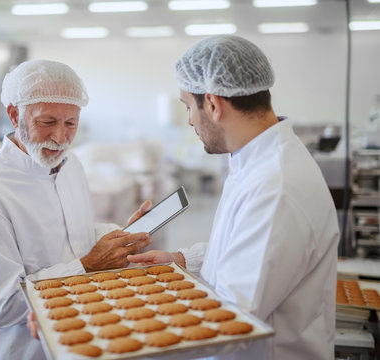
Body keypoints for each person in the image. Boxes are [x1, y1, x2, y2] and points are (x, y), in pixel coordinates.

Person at [128, 35, 339, 359]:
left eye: (188, 107)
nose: (188, 120)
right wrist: (184, 261)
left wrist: (122, 323)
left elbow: (229, 323)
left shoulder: (274, 188)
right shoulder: (257, 160)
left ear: (213, 104)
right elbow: (251, 247)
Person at [0, 59, 152, 360]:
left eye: (71, 123)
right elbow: (4, 306)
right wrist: (87, 265)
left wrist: (120, 237)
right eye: (47, 122)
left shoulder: (71, 166)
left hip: (80, 338)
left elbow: (75, 233)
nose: (60, 138)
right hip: (25, 351)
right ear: (14, 114)